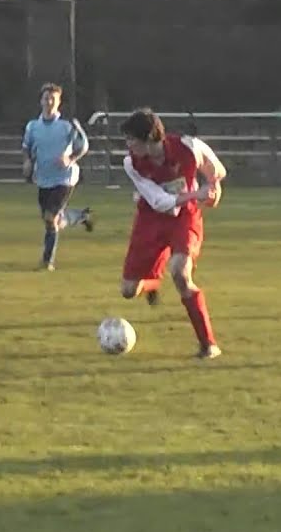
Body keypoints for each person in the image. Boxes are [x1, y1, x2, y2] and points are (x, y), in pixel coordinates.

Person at [118, 108, 226, 359]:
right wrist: (196, 194)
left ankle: (208, 344)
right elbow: (159, 201)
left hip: (185, 218)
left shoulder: (189, 147)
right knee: (128, 290)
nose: (128, 145)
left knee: (180, 272)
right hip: (149, 220)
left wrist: (213, 188)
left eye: (132, 139)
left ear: (149, 139)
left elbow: (216, 171)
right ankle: (152, 283)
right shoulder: (131, 163)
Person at [21, 83, 94, 270]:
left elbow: (84, 145)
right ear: (41, 101)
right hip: (43, 178)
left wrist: (70, 158)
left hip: (65, 178)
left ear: (59, 102)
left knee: (50, 217)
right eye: (46, 98)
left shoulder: (67, 126)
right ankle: (79, 216)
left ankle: (48, 261)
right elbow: (26, 147)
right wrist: (27, 161)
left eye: (53, 98)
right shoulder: (32, 126)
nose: (49, 101)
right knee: (52, 220)